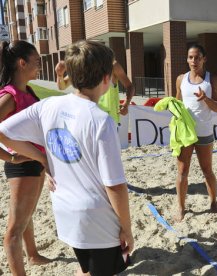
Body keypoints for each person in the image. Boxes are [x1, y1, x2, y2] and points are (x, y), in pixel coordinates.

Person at [0, 40, 134, 276]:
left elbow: (3, 132)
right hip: (97, 218)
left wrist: (40, 157)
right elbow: (114, 185)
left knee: (87, 268)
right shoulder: (101, 121)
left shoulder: (48, 105)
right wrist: (127, 228)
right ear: (106, 78)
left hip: (65, 211)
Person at [0, 40, 51, 275]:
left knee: (27, 214)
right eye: (37, 61)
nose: (39, 65)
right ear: (22, 63)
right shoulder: (9, 96)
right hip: (22, 166)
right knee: (14, 228)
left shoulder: (26, 90)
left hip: (35, 162)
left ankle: (32, 255)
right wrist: (9, 158)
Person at [174, 44, 217, 221]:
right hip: (185, 133)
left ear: (204, 59)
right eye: (190, 57)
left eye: (197, 57)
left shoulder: (212, 80)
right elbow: (177, 104)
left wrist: (206, 99)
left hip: (204, 132)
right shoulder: (181, 79)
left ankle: (213, 202)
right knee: (182, 171)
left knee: (207, 170)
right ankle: (180, 207)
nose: (193, 61)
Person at [55, 58, 135, 125]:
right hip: (85, 118)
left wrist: (126, 104)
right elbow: (63, 86)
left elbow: (129, 86)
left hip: (108, 120)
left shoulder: (112, 65)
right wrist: (59, 75)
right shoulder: (81, 65)